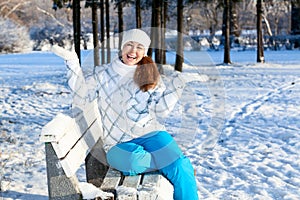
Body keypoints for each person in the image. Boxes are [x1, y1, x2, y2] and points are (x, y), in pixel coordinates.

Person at [52, 28, 199, 200]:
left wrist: (178, 86)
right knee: (134, 162)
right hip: (118, 143)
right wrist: (72, 62)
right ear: (121, 47)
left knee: (181, 167)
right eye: (129, 45)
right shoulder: (102, 74)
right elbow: (81, 95)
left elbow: (161, 111)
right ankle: (166, 163)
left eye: (139, 47)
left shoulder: (150, 74)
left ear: (144, 51)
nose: (133, 51)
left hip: (153, 134)